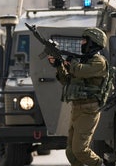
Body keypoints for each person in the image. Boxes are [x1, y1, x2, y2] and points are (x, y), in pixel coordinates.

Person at [47, 28, 109, 166]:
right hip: (77, 108)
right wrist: (59, 66)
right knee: (71, 152)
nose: (82, 43)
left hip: (89, 109)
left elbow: (80, 71)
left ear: (93, 43)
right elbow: (67, 80)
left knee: (80, 150)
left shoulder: (99, 62)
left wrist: (71, 61)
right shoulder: (83, 61)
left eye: (84, 41)